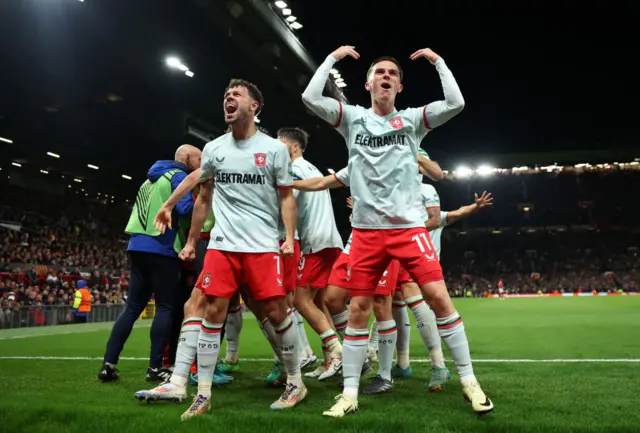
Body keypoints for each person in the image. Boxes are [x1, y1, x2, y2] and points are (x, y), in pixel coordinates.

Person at [302, 45, 493, 417]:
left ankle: (470, 382)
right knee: (359, 309)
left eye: (392, 74)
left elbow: (455, 103)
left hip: (408, 229)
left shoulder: (411, 120)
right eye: (380, 73)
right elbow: (310, 97)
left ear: (399, 87)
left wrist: (439, 62)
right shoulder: (352, 119)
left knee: (438, 298)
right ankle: (350, 394)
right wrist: (330, 60)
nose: (386, 77)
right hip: (367, 233)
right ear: (368, 83)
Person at [179, 78, 305, 420]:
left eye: (236, 94)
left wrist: (289, 237)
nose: (228, 98)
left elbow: (286, 197)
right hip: (223, 244)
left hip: (263, 245)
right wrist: (191, 240)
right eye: (225, 94)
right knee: (212, 310)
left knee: (278, 312)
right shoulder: (215, 148)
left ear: (254, 106)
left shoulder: (275, 150)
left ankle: (295, 381)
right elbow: (203, 196)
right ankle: (202, 393)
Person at [98, 144, 201, 383]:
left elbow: (137, 209)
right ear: (186, 159)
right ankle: (155, 367)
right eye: (198, 160)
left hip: (136, 246)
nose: (200, 165)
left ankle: (108, 364)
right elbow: (185, 209)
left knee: (132, 308)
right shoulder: (179, 176)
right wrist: (205, 194)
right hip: (162, 247)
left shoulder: (148, 180)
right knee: (165, 306)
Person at [275, 127, 344, 382]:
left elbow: (285, 202)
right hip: (329, 239)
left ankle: (338, 353)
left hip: (315, 241)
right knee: (318, 302)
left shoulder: (295, 170)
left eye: (280, 144)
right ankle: (330, 359)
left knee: (300, 300)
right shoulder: (312, 168)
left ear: (294, 147)